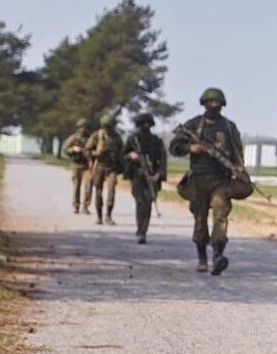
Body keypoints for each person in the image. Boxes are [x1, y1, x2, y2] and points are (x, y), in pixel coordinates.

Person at [169, 88, 244, 276]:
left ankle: (218, 256)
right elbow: (174, 147)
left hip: (221, 180)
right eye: (210, 102)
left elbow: (237, 151)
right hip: (198, 179)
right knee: (200, 218)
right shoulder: (193, 125)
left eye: (217, 102)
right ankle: (202, 258)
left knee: (221, 215)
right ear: (203, 104)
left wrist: (239, 169)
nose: (213, 105)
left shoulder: (228, 127)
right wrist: (190, 147)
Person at [123, 113, 168, 244]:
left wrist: (158, 175)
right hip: (137, 176)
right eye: (143, 124)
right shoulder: (132, 140)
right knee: (140, 203)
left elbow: (163, 160)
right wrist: (131, 156)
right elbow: (123, 155)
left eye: (148, 123)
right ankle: (140, 230)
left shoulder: (156, 141)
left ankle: (143, 230)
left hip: (153, 176)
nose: (146, 126)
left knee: (148, 203)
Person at [85, 114, 123, 226]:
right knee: (98, 192)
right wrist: (96, 153)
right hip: (99, 166)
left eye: (110, 126)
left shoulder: (117, 137)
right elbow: (87, 151)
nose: (108, 128)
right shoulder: (97, 136)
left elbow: (122, 152)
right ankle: (99, 217)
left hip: (111, 168)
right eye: (107, 126)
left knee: (111, 192)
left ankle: (108, 216)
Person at [63, 117, 92, 214]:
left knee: (88, 186)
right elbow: (65, 150)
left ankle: (86, 206)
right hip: (76, 165)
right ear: (78, 128)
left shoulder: (90, 138)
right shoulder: (73, 138)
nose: (83, 129)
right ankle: (76, 206)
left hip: (87, 166)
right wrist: (73, 149)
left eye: (85, 127)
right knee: (76, 187)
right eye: (81, 127)